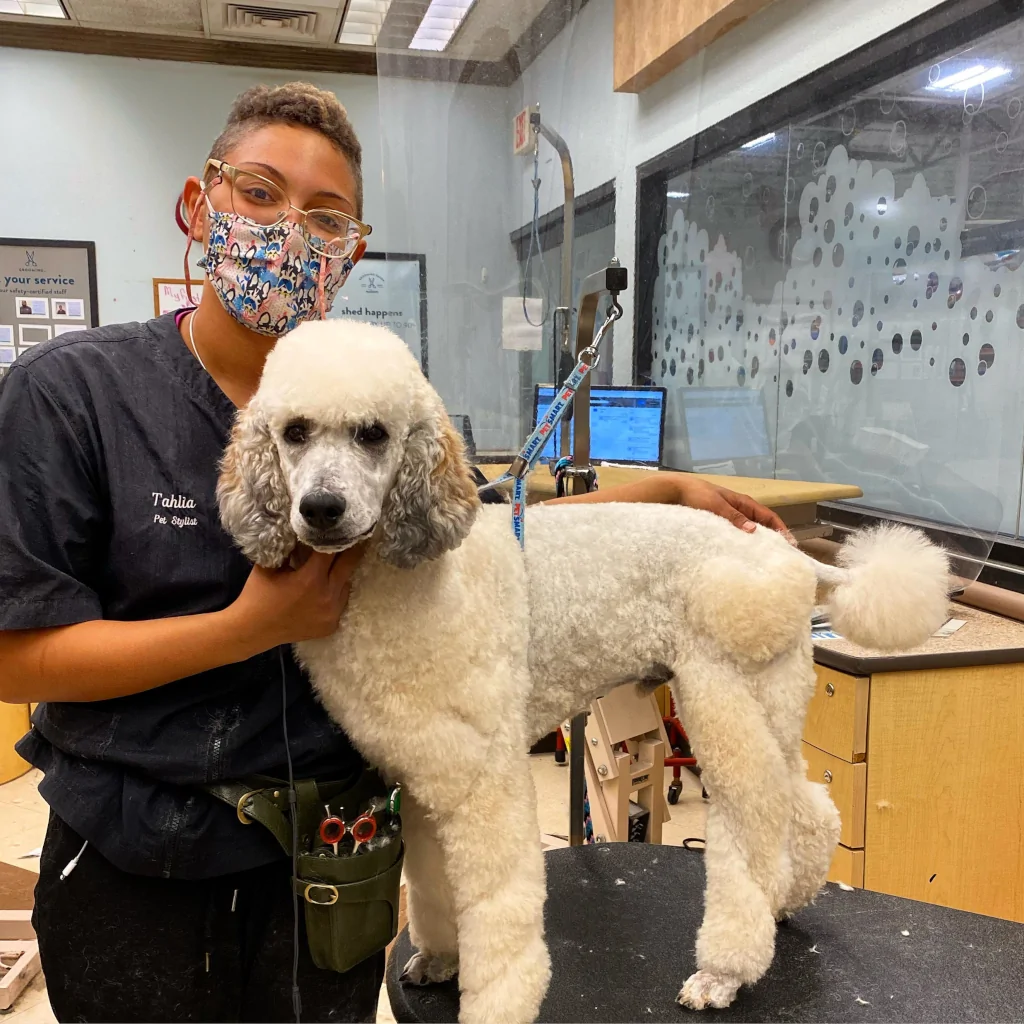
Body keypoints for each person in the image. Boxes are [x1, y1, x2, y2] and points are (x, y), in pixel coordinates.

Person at [0, 82, 789, 1023]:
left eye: (324, 216)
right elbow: (18, 656)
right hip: (143, 862)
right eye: (257, 193)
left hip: (335, 861)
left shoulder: (382, 397)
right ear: (198, 205)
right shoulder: (69, 394)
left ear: (352, 250)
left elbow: (473, 515)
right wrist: (250, 628)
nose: (289, 231)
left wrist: (662, 489)